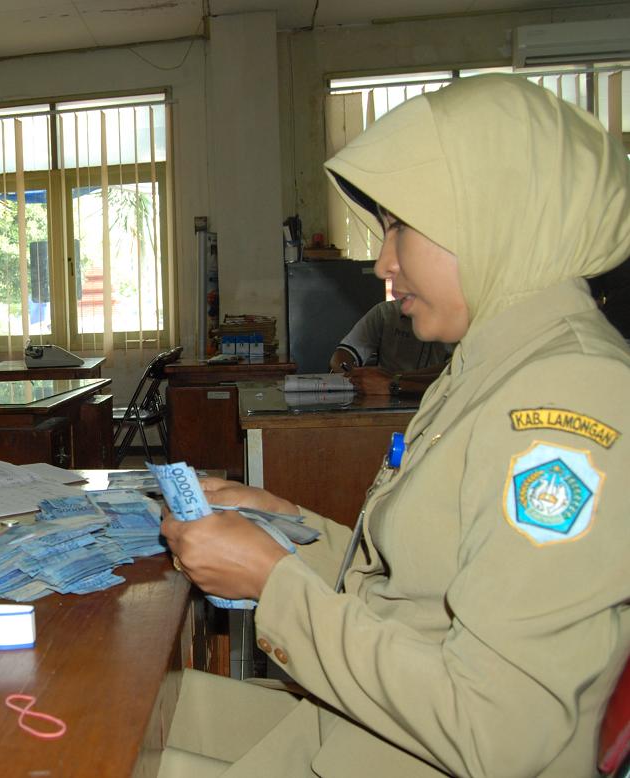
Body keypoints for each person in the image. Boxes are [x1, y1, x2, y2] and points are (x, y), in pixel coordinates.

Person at [159, 74, 630, 777]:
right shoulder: (494, 366)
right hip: (367, 729)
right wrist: (283, 521)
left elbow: (498, 733)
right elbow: (414, 588)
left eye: (399, 226)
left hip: (408, 749)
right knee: (112, 720)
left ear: (492, 216)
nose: (383, 263)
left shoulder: (569, 400)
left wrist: (274, 583)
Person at [328, 298, 452, 396]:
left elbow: (453, 375)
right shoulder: (386, 312)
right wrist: (354, 376)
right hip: (384, 399)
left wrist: (392, 381)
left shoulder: (460, 320)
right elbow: (343, 354)